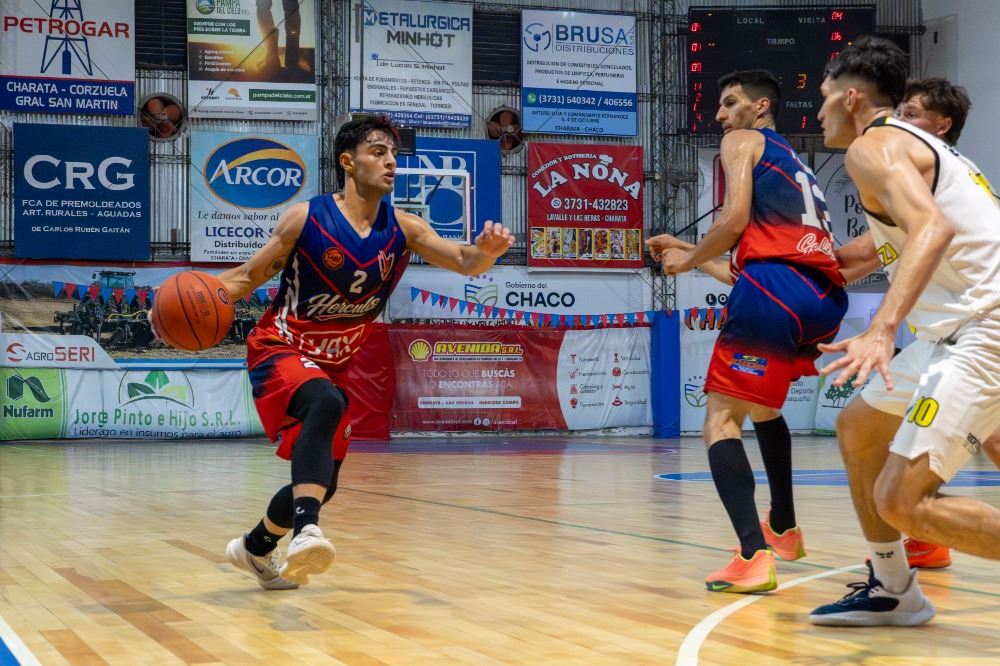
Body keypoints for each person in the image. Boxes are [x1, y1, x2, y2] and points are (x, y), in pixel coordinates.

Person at [215, 116, 513, 589]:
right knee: (324, 403)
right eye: (378, 152)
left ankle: (255, 546)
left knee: (323, 483)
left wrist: (488, 252)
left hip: (333, 364)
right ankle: (306, 533)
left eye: (393, 153)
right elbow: (245, 277)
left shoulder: (405, 228)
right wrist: (175, 297)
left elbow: (465, 261)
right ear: (348, 162)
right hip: (280, 347)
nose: (390, 161)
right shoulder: (305, 218)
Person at [809, 36, 1000, 626]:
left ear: (850, 97)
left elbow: (933, 230)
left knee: (901, 500)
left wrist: (881, 329)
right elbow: (853, 259)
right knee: (859, 428)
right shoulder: (916, 148)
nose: (817, 114)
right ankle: (894, 590)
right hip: (955, 332)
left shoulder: (875, 146)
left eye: (822, 98)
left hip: (984, 328)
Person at [653, 69, 849, 593]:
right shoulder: (795, 165)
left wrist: (685, 260)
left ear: (761, 107)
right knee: (762, 408)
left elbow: (734, 221)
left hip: (775, 290)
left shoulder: (742, 141)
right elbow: (753, 270)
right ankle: (783, 526)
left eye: (730, 102)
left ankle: (751, 555)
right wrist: (691, 254)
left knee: (720, 419)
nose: (720, 114)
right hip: (821, 298)